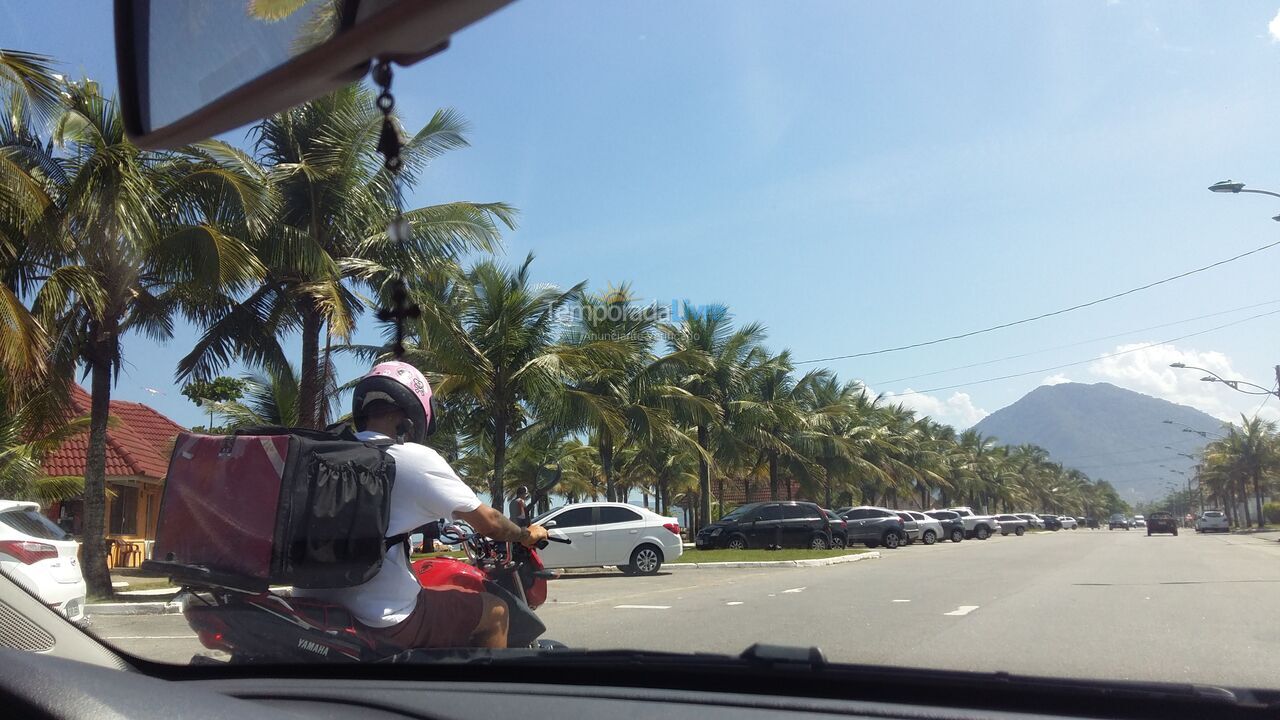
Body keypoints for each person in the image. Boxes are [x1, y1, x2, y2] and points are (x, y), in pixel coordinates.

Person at [294, 361, 548, 650]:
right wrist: (526, 534)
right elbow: (489, 521)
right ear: (413, 416)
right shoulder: (412, 458)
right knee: (496, 611)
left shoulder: (325, 455)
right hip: (384, 618)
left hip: (309, 606)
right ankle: (485, 693)